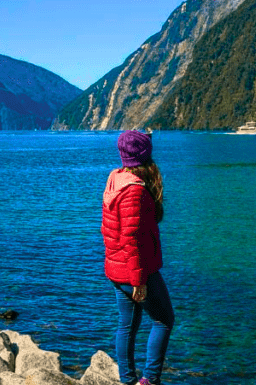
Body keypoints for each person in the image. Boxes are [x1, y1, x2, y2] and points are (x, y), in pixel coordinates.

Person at [102, 130, 175, 385]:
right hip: (134, 271)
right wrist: (138, 281)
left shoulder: (116, 179)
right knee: (164, 320)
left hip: (116, 268)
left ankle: (128, 380)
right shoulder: (135, 192)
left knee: (127, 326)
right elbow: (132, 240)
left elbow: (115, 233)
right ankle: (150, 380)